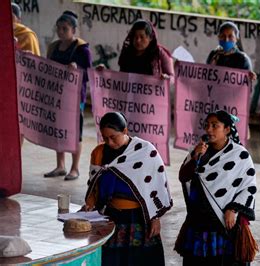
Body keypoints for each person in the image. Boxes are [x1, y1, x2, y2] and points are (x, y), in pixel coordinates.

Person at [83, 112, 172, 265]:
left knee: (141, 260)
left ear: (125, 131)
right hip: (112, 216)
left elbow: (156, 187)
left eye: (113, 137)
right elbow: (93, 186)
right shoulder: (99, 153)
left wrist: (156, 218)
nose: (109, 142)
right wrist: (89, 206)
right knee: (113, 260)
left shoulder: (144, 151)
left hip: (140, 217)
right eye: (105, 138)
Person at [175, 110, 258, 265]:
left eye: (215, 126)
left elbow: (249, 187)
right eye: (207, 125)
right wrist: (194, 158)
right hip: (199, 219)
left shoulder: (240, 155)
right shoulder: (198, 151)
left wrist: (233, 209)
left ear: (227, 129)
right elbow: (184, 177)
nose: (209, 129)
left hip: (224, 222)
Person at [44, 10, 92, 180]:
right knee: (58, 131)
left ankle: (75, 168)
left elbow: (89, 74)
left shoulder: (82, 49)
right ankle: (60, 165)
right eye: (59, 28)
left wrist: (77, 69)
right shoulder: (54, 47)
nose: (61, 32)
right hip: (57, 97)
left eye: (65, 28)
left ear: (74, 30)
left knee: (74, 132)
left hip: (74, 99)